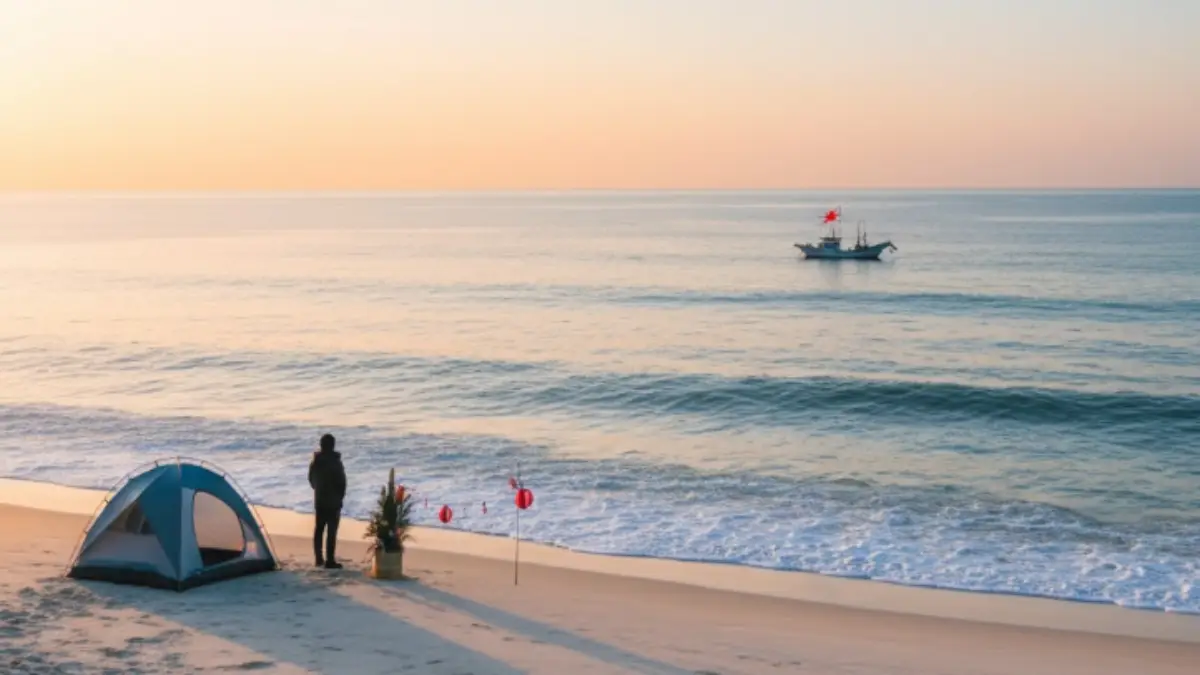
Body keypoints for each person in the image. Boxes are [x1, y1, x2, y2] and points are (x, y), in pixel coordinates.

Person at [308, 433, 347, 569]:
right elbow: (342, 482)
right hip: (333, 501)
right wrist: (340, 497)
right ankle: (330, 560)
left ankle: (318, 558)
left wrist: (318, 490)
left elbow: (311, 480)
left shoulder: (316, 462)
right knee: (331, 531)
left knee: (319, 529)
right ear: (333, 446)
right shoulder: (336, 462)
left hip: (320, 500)